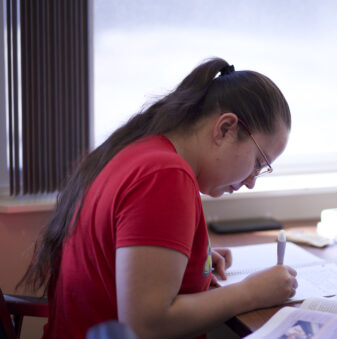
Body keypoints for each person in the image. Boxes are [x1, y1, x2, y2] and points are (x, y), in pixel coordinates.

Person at [18, 57, 297, 339]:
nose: (251, 182)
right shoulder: (165, 175)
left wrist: (190, 261)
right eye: (259, 163)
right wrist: (250, 292)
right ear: (225, 128)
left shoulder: (141, 150)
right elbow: (146, 324)